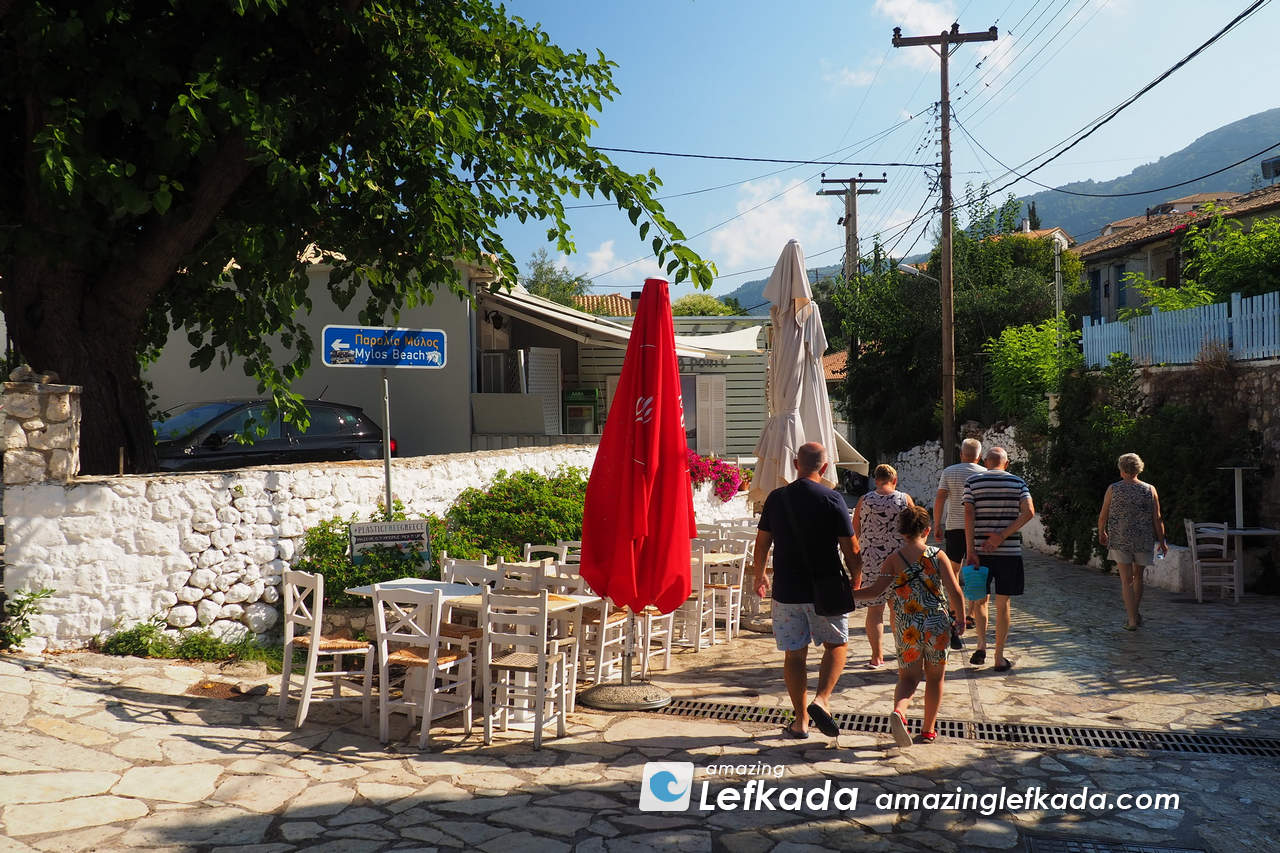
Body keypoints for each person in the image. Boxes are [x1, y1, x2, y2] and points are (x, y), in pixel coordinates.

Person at [750, 442, 862, 740]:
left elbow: (762, 543)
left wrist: (759, 575)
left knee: (794, 655)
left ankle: (800, 722)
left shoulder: (776, 499)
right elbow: (850, 547)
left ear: (796, 463)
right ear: (824, 468)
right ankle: (821, 700)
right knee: (836, 645)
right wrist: (857, 575)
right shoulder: (832, 499)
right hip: (825, 588)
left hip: (786, 590)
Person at [853, 505, 965, 746]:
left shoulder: (893, 560)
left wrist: (846, 596)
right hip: (937, 624)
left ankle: (900, 711)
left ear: (901, 531)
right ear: (927, 530)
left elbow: (874, 591)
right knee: (935, 679)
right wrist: (962, 617)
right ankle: (928, 730)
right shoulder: (938, 556)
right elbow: (955, 591)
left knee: (908, 678)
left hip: (907, 626)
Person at [963, 447, 1035, 673]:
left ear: (985, 461)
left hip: (980, 552)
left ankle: (981, 644)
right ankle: (999, 656)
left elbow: (968, 514)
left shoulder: (973, 482)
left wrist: (970, 550)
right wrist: (1002, 535)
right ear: (1007, 462)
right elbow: (1029, 512)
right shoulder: (1018, 482)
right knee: (1003, 603)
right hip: (1009, 553)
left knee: (980, 600)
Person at [1096, 453, 1168, 630]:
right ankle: (1135, 614)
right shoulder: (1150, 489)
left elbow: (1103, 514)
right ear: (1139, 469)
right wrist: (1162, 540)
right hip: (1143, 539)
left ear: (1122, 470)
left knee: (1126, 580)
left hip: (1120, 538)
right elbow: (1157, 518)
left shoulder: (1114, 489)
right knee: (1138, 578)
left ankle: (1132, 620)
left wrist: (1101, 532)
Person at [853, 464, 914, 668]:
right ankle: (901, 653)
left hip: (871, 558)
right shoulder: (904, 499)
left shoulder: (864, 500)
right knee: (898, 608)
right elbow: (914, 528)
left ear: (875, 480)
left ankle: (876, 656)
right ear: (894, 480)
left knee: (875, 610)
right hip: (899, 559)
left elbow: (856, 530)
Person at [933, 438, 986, 628]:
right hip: (978, 529)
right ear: (979, 457)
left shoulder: (949, 472)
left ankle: (956, 610)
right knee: (975, 570)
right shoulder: (986, 474)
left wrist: (937, 523)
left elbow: (940, 498)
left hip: (954, 527)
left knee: (953, 570)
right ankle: (971, 613)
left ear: (962, 454)